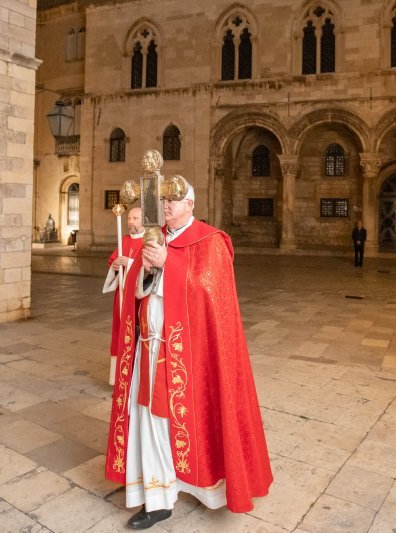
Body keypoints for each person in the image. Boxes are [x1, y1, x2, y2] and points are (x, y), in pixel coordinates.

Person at [104, 182, 272, 529]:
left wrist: (169, 265)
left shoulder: (210, 241)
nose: (166, 204)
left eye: (173, 200)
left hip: (188, 357)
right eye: (164, 199)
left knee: (171, 423)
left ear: (190, 204)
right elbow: (137, 285)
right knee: (147, 419)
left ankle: (179, 485)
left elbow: (212, 294)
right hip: (148, 347)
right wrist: (144, 271)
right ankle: (157, 495)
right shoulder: (153, 237)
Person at [103, 207, 145, 384]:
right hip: (122, 296)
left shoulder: (148, 241)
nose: (130, 222)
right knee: (121, 332)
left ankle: (137, 376)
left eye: (135, 218)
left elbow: (150, 268)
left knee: (137, 330)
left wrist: (130, 263)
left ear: (144, 221)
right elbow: (112, 262)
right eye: (129, 219)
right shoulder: (124, 240)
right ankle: (119, 376)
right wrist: (115, 267)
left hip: (138, 298)